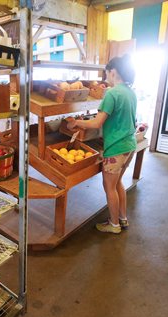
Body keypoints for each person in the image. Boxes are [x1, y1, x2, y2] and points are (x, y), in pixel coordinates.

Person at [67, 55, 137, 234]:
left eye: (107, 72)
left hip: (116, 148)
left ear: (113, 71)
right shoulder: (130, 92)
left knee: (109, 187)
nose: (106, 76)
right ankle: (122, 219)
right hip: (130, 144)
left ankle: (114, 225)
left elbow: (96, 123)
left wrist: (77, 123)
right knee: (118, 183)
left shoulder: (112, 93)